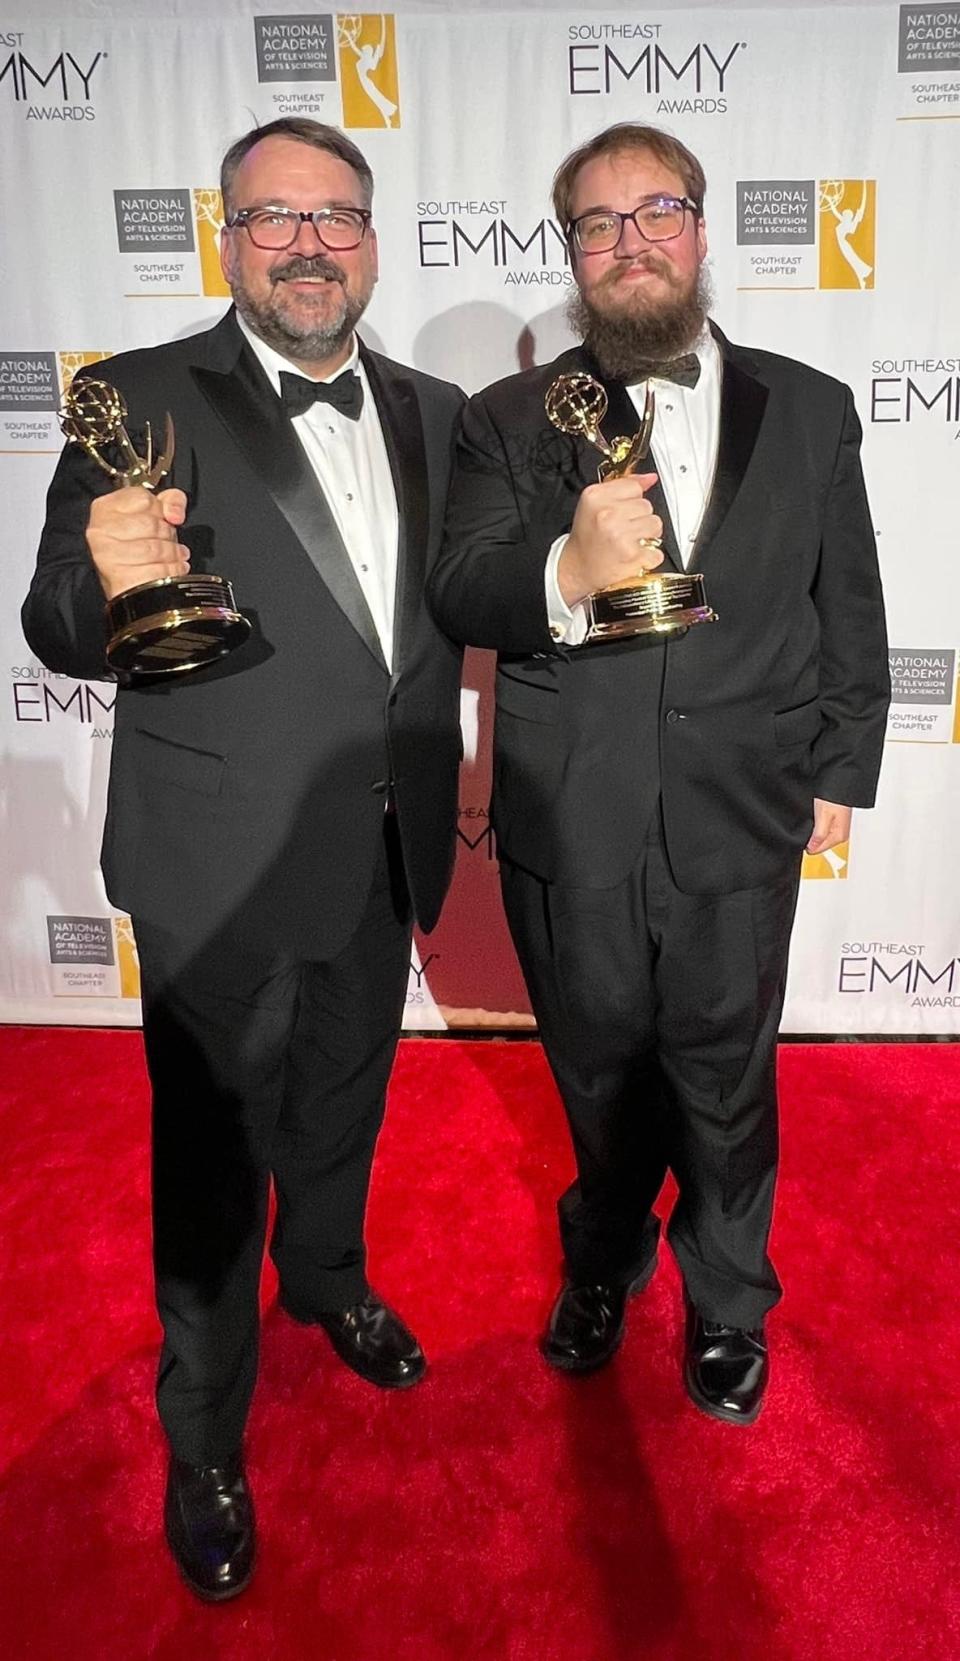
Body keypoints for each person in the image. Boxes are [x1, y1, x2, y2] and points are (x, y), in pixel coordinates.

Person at [22, 118, 464, 1600]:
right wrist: (110, 578)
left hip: (389, 832)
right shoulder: (135, 398)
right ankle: (203, 1430)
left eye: (336, 216)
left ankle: (328, 1279)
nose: (308, 244)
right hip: (218, 854)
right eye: (274, 217)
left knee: (347, 1090)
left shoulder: (436, 407)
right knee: (212, 1156)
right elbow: (56, 625)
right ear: (228, 236)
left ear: (375, 237)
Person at [429, 123, 888, 1427]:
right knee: (595, 1072)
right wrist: (563, 573)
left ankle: (731, 1298)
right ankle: (609, 1250)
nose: (628, 242)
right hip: (571, 820)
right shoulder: (509, 420)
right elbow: (459, 585)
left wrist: (843, 757)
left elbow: (849, 601)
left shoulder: (809, 405)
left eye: (655, 212)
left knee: (729, 1081)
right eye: (596, 222)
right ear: (571, 252)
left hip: (743, 810)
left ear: (700, 228)